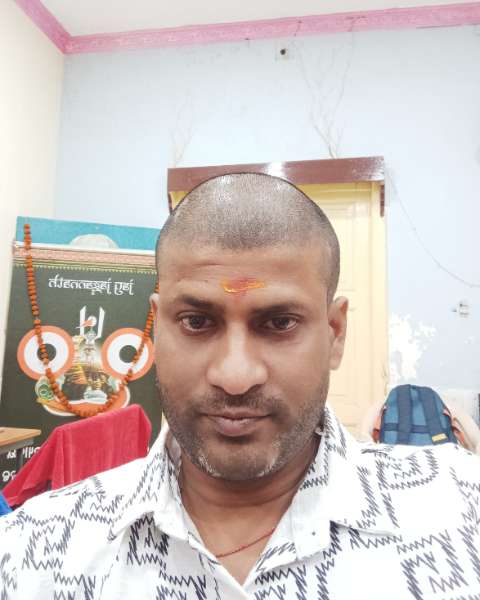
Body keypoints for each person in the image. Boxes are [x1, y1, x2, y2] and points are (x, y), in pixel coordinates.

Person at [1, 173, 479, 599]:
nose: (234, 376)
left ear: (335, 334)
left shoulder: (461, 509)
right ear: (157, 328)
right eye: (196, 321)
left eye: (279, 323)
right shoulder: (33, 552)